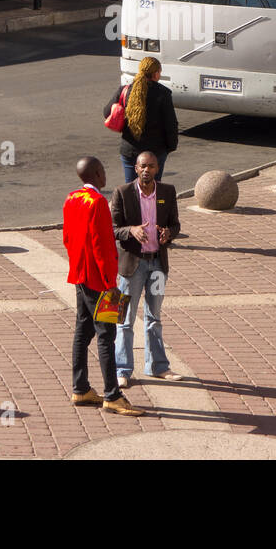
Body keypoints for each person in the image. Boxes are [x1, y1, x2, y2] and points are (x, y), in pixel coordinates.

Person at [63, 156, 143, 416]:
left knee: (83, 331)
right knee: (107, 335)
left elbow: (67, 238)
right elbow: (102, 246)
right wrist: (111, 283)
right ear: (98, 174)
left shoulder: (72, 198)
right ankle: (112, 395)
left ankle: (81, 387)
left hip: (80, 276)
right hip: (100, 280)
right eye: (104, 171)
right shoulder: (97, 203)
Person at [111, 150, 184, 387]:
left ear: (156, 169)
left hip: (157, 264)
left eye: (151, 166)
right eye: (143, 166)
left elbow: (175, 224)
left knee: (154, 317)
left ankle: (158, 367)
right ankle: (122, 370)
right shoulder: (122, 193)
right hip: (132, 265)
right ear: (136, 168)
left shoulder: (167, 192)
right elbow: (112, 229)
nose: (147, 170)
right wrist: (131, 230)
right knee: (124, 319)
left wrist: (168, 234)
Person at [104, 55, 179, 184]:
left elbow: (106, 112)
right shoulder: (163, 93)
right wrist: (170, 148)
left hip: (130, 150)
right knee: (153, 190)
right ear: (155, 74)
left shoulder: (125, 90)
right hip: (155, 152)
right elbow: (170, 125)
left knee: (131, 191)